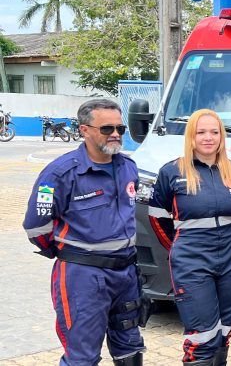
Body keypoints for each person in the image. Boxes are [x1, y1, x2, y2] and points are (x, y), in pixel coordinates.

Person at [23, 99, 146, 366]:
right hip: (83, 277)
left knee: (130, 347)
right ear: (84, 130)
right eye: (107, 128)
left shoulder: (128, 167)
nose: (115, 134)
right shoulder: (60, 173)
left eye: (120, 128)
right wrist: (68, 252)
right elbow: (36, 226)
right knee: (83, 356)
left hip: (126, 273)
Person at [148, 108, 231, 365]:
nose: (208, 138)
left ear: (221, 136)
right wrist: (180, 249)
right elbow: (158, 218)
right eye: (201, 132)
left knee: (224, 331)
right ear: (191, 136)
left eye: (214, 132)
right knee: (202, 335)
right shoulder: (172, 172)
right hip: (192, 261)